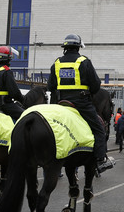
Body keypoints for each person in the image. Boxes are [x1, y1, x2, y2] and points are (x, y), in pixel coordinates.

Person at [47, 34, 113, 174]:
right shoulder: (84, 62)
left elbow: (50, 86)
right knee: (99, 129)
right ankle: (101, 160)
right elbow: (95, 86)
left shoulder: (57, 63)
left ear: (65, 48)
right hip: (81, 104)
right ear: (78, 47)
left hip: (60, 103)